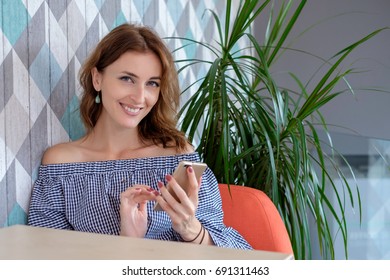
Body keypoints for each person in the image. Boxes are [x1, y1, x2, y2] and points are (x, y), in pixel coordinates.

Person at [27, 23, 251, 249]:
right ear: (97, 79)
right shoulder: (61, 167)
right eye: (127, 79)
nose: (140, 97)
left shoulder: (179, 157)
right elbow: (47, 259)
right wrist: (127, 245)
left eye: (152, 83)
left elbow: (235, 256)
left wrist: (190, 228)